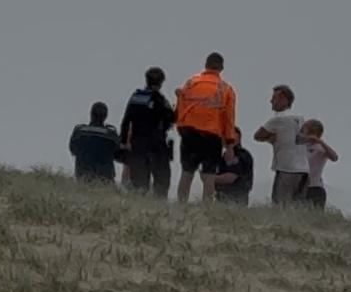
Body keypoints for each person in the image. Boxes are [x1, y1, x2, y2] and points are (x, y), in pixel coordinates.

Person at [175, 52, 238, 203]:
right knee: (209, 175)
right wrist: (229, 143)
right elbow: (229, 118)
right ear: (221, 68)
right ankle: (207, 208)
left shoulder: (190, 83)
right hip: (211, 135)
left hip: (189, 132)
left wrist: (180, 127)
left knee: (187, 172)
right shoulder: (226, 89)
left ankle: (181, 205)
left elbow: (181, 106)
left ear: (206, 65)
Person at [119, 67, 175, 199]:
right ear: (161, 82)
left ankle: (140, 209)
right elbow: (171, 120)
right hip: (158, 145)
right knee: (161, 183)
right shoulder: (161, 101)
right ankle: (159, 210)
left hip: (138, 145)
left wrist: (123, 142)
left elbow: (126, 121)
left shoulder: (136, 98)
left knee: (139, 185)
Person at [254, 85, 309, 206]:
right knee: (298, 205)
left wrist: (270, 139)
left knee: (281, 204)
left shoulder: (278, 120)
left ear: (284, 99)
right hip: (304, 168)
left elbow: (257, 135)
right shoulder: (300, 119)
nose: (271, 101)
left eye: (274, 98)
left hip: (286, 168)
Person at [69, 102, 120, 183]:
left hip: (83, 178)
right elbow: (118, 154)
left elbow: (73, 150)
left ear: (91, 114)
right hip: (106, 179)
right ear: (105, 117)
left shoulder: (79, 132)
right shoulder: (111, 135)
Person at [298, 119, 339, 209]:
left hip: (314, 188)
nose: (301, 133)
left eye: (303, 131)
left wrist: (320, 142)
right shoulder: (300, 148)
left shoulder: (319, 148)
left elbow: (334, 157)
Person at [215, 127, 254, 206]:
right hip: (220, 200)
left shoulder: (243, 155)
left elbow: (230, 177)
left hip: (236, 200)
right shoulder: (220, 158)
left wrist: (210, 178)